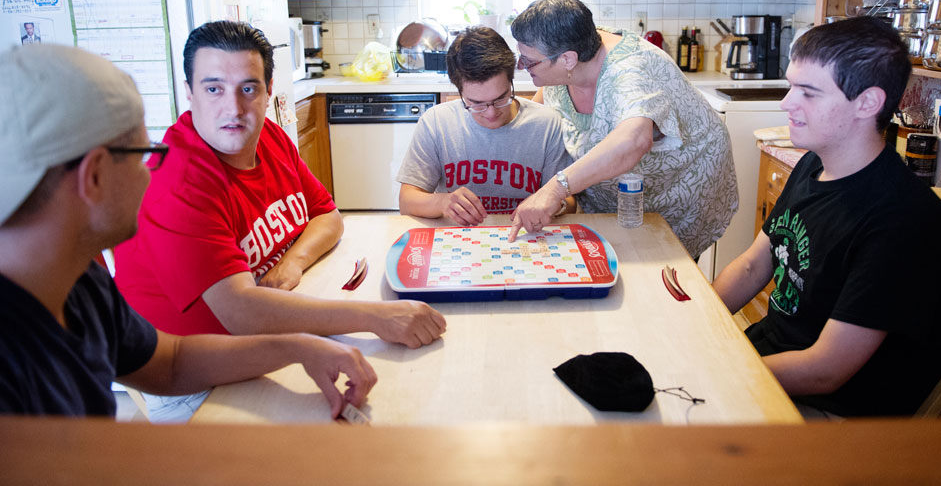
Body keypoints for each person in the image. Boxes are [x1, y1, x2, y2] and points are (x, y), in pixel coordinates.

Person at [0, 44, 376, 418]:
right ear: (94, 176)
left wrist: (299, 348)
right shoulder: (15, 364)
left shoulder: (81, 285)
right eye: (141, 154)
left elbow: (171, 363)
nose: (149, 172)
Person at [113, 21, 446, 344]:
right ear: (188, 92)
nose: (233, 108)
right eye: (213, 89)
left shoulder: (268, 137)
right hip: (192, 370)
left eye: (248, 88)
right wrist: (373, 318)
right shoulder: (176, 185)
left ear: (268, 90)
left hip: (266, 329)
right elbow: (242, 312)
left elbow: (328, 218)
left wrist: (293, 262)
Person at [712, 17, 941, 417]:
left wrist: (717, 376)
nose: (786, 103)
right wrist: (697, 321)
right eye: (791, 85)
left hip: (832, 412)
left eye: (808, 93)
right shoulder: (815, 161)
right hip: (768, 364)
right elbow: (751, 266)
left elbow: (824, 372)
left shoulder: (904, 223)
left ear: (867, 103)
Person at [507, 0, 737, 257]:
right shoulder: (567, 57)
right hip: (621, 198)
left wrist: (555, 188)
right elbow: (539, 119)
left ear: (568, 59)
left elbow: (634, 140)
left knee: (661, 275)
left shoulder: (629, 70)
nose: (521, 66)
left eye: (529, 61)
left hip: (676, 189)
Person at [397, 26, 575, 225]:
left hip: (525, 238)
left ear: (511, 82)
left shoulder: (548, 124)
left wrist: (553, 204)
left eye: (501, 99)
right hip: (456, 241)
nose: (491, 113)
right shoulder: (436, 122)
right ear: (460, 92)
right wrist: (442, 202)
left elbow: (569, 201)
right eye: (476, 104)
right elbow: (407, 200)